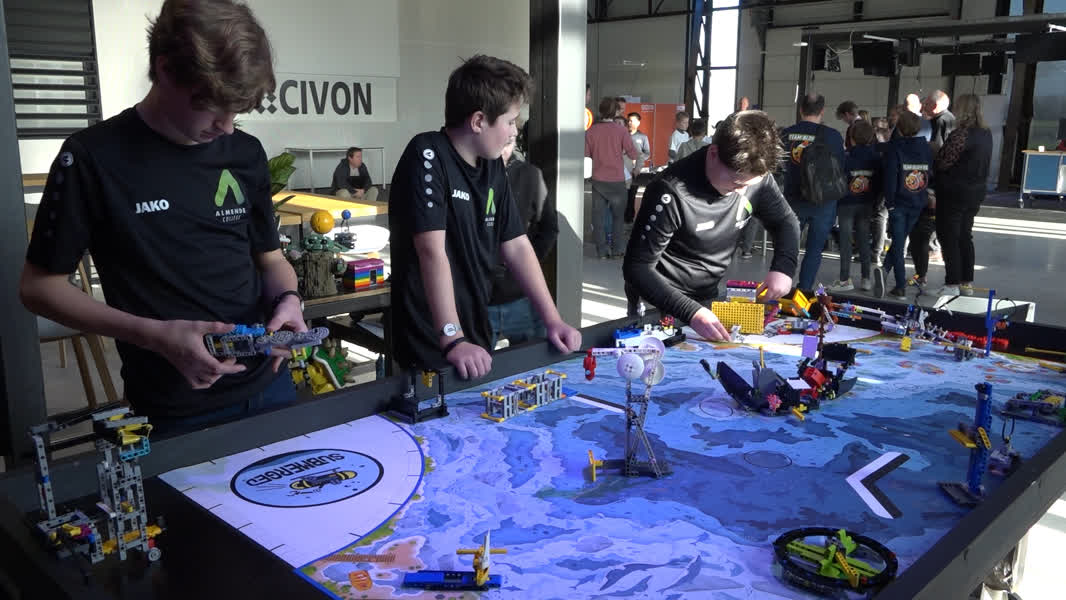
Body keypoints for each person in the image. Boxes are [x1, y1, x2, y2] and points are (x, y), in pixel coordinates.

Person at [18, 0, 303, 435]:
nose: (227, 126)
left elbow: (271, 260)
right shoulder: (92, 157)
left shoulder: (244, 153)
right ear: (165, 69)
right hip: (173, 407)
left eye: (236, 111)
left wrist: (288, 300)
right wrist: (154, 336)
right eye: (212, 106)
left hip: (270, 386)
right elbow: (39, 288)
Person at [388, 54, 580, 379]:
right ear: (478, 121)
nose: (514, 132)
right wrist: (452, 339)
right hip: (431, 343)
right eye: (510, 121)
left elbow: (517, 245)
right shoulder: (427, 155)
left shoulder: (491, 166)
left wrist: (553, 320)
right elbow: (431, 251)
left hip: (473, 334)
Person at [623, 111, 800, 341]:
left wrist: (784, 268)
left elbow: (786, 221)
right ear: (714, 154)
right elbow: (637, 268)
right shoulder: (670, 190)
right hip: (660, 300)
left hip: (707, 296)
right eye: (736, 183)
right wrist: (691, 312)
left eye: (749, 185)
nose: (742, 192)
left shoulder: (755, 177)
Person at [488, 140, 558, 346]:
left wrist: (526, 263)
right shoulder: (469, 175)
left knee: (534, 358)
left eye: (509, 142)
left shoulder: (529, 175)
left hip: (521, 294)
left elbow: (549, 227)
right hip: (478, 298)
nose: (502, 148)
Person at [781, 93, 846, 292]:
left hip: (793, 199)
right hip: (823, 201)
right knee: (814, 250)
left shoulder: (786, 134)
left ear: (801, 109)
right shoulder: (833, 136)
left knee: (787, 248)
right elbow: (840, 168)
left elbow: (778, 166)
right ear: (822, 111)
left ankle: (781, 288)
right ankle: (804, 290)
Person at [933, 94, 993, 296]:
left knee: (949, 236)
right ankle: (966, 283)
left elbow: (944, 162)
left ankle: (952, 283)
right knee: (965, 235)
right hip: (976, 191)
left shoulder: (961, 134)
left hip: (954, 192)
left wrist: (935, 151)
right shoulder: (986, 133)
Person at [875, 110, 933, 299]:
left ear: (899, 128)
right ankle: (884, 270)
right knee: (899, 242)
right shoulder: (926, 148)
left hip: (899, 203)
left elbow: (891, 177)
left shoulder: (895, 148)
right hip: (918, 201)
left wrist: (890, 203)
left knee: (898, 246)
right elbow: (929, 173)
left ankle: (900, 286)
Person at [829, 120, 880, 292]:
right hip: (866, 203)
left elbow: (837, 180)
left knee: (845, 241)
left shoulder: (845, 157)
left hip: (846, 204)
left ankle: (845, 279)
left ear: (851, 138)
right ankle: (866, 278)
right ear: (871, 137)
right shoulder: (876, 158)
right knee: (864, 240)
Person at [586, 97, 639, 259]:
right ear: (616, 112)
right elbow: (633, 154)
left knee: (598, 217)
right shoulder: (621, 131)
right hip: (617, 180)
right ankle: (617, 249)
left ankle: (602, 251)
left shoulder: (591, 132)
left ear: (600, 111)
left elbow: (586, 155)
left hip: (598, 180)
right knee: (618, 217)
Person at [624, 112, 651, 223]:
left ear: (638, 122)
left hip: (635, 170)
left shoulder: (643, 137)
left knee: (632, 195)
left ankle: (629, 218)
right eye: (628, 120)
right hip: (622, 169)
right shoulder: (623, 135)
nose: (629, 123)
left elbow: (647, 153)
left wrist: (638, 160)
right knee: (622, 194)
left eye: (632, 121)